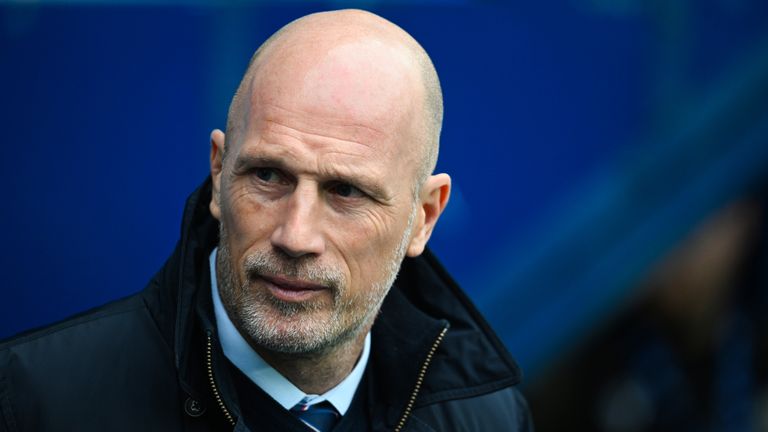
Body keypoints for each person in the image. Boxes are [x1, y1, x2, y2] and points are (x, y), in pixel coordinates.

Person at [0, 9, 532, 432]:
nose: (295, 236)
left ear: (423, 217)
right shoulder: (33, 401)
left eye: (345, 191)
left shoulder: (490, 419)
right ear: (217, 172)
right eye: (269, 176)